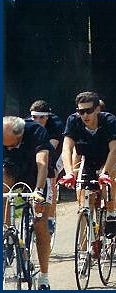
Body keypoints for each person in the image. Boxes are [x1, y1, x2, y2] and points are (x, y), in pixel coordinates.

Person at [59, 91, 116, 238]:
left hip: (112, 155)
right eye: (80, 112)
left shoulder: (110, 121)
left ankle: (111, 213)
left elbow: (114, 150)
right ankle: (85, 251)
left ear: (97, 109)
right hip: (89, 156)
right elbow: (67, 148)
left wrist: (105, 173)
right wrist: (69, 173)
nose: (84, 116)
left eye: (88, 111)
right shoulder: (73, 121)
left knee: (107, 179)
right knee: (84, 199)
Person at [3, 116, 54, 290]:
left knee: (40, 224)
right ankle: (8, 233)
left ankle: (44, 276)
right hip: (12, 171)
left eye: (11, 146)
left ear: (20, 135)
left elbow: (42, 163)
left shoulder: (36, 132)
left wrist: (38, 192)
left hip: (36, 176)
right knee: (4, 184)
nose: (8, 148)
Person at [28, 100, 64, 237]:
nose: (37, 120)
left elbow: (50, 149)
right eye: (34, 117)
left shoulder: (55, 125)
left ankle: (50, 218)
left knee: (51, 177)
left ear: (47, 116)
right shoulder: (27, 124)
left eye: (41, 117)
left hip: (56, 154)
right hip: (38, 151)